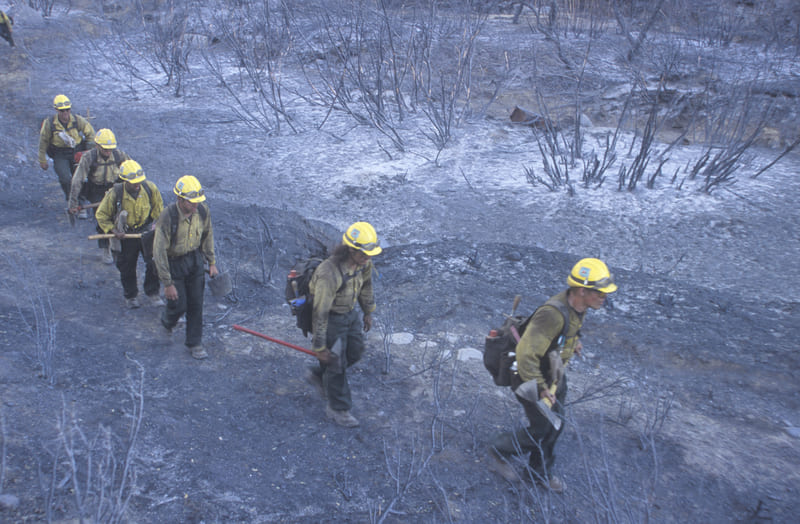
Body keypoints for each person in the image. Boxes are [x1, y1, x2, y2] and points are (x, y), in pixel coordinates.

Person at [489, 258, 618, 493]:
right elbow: (526, 355)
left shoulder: (579, 306)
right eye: (600, 293)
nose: (604, 298)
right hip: (530, 377)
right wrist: (540, 388)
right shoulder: (552, 314)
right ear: (582, 290)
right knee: (543, 427)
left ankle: (539, 473)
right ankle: (500, 450)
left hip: (553, 374)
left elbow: (566, 332)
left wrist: (573, 343)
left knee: (556, 425)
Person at [306, 222, 381, 428]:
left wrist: (368, 311)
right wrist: (319, 347)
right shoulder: (328, 273)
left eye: (370, 253)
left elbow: (366, 286)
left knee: (355, 353)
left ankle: (320, 375)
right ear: (351, 249)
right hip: (331, 320)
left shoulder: (364, 263)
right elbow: (319, 312)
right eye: (364, 253)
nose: (368, 258)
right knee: (336, 364)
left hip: (350, 315)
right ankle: (338, 409)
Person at [152, 175, 217, 360]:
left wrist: (211, 262)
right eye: (191, 202)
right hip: (174, 264)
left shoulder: (202, 211)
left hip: (195, 261)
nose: (195, 205)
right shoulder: (167, 216)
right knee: (178, 303)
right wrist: (167, 283)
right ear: (180, 199)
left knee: (196, 304)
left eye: (197, 201)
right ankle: (168, 321)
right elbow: (159, 252)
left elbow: (207, 235)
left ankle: (194, 343)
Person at [95, 160, 164, 309]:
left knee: (155, 262)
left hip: (147, 233)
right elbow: (101, 215)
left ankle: (153, 292)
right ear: (125, 180)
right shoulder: (115, 193)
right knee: (127, 266)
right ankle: (131, 295)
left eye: (139, 181)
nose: (137, 185)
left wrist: (156, 225)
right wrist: (112, 230)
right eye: (134, 182)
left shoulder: (150, 189)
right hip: (126, 235)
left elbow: (159, 210)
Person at [68, 128, 130, 263]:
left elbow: (132, 172)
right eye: (105, 149)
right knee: (103, 218)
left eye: (110, 149)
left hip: (114, 187)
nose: (108, 152)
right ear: (97, 146)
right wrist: (73, 203)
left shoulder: (120, 156)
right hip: (96, 189)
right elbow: (77, 180)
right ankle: (105, 248)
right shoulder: (89, 157)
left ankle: (117, 241)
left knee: (121, 215)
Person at [38, 94, 96, 201]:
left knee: (80, 177)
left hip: (76, 151)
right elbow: (43, 142)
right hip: (60, 154)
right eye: (62, 110)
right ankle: (71, 200)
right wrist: (42, 160)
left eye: (67, 110)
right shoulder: (49, 123)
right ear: (56, 110)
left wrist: (89, 149)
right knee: (65, 179)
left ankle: (81, 200)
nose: (65, 113)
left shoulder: (78, 120)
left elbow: (91, 134)